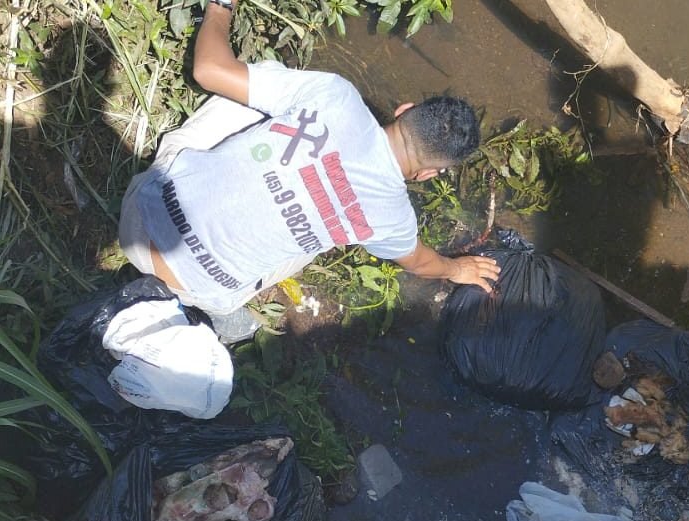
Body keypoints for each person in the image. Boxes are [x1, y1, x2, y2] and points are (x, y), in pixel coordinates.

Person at [118, 0, 500, 341]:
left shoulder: (336, 95)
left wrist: (220, 7)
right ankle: (220, 319)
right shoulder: (393, 219)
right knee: (317, 239)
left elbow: (208, 69)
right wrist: (456, 269)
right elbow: (420, 262)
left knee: (258, 102)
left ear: (403, 109)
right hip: (198, 289)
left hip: (138, 220)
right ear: (427, 175)